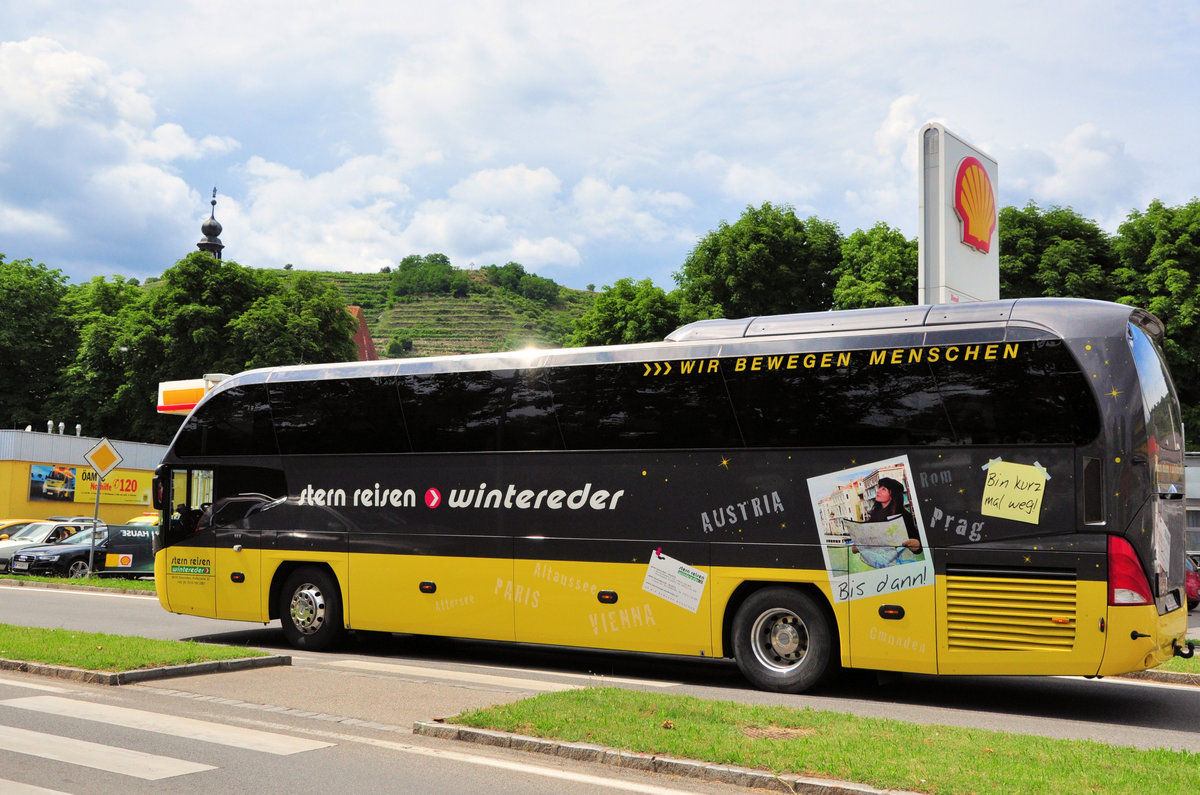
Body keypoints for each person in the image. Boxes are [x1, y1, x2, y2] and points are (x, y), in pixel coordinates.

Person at [864, 477, 921, 553]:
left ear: (893, 494)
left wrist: (917, 545)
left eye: (883, 489)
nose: (878, 492)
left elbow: (917, 546)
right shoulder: (874, 516)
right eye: (879, 488)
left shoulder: (905, 516)